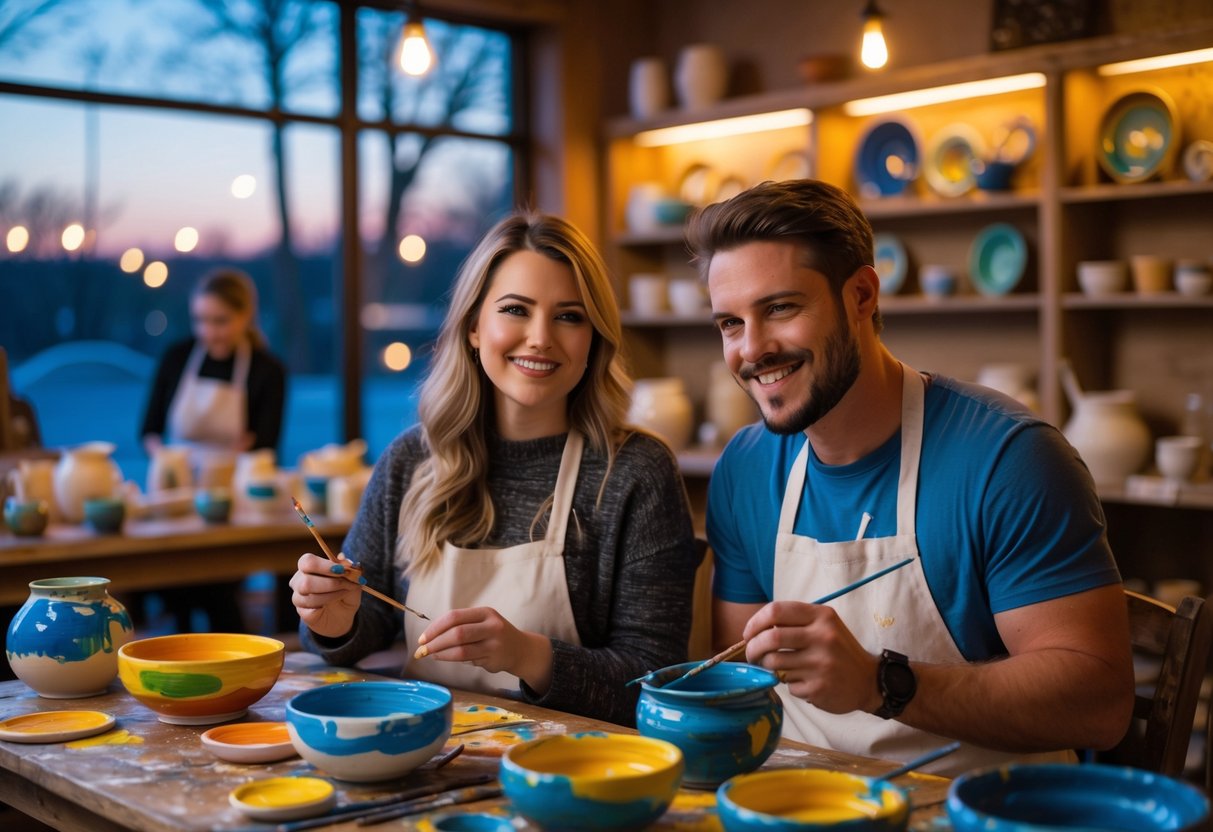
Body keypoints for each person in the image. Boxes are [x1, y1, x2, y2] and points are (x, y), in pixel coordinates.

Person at [687, 179, 1133, 776]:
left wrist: (880, 683)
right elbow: (743, 680)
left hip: (977, 811)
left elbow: (1098, 704)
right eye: (730, 324)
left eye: (780, 308)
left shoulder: (1007, 459)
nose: (753, 349)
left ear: (863, 295)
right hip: (799, 804)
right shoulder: (745, 469)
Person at [290, 211, 699, 726]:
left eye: (569, 316)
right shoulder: (411, 460)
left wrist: (529, 656)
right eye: (515, 310)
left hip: (572, 775)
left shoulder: (636, 472)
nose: (541, 338)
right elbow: (360, 628)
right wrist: (332, 619)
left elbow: (656, 683)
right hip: (428, 754)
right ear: (474, 329)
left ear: (594, 336)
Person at [140, 267, 287, 633]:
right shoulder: (177, 356)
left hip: (231, 502)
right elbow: (149, 429)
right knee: (178, 582)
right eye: (200, 320)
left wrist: (228, 458)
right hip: (174, 495)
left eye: (220, 320)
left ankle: (221, 648)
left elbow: (264, 444)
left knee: (212, 584)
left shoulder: (267, 370)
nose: (208, 331)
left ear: (244, 315)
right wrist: (166, 457)